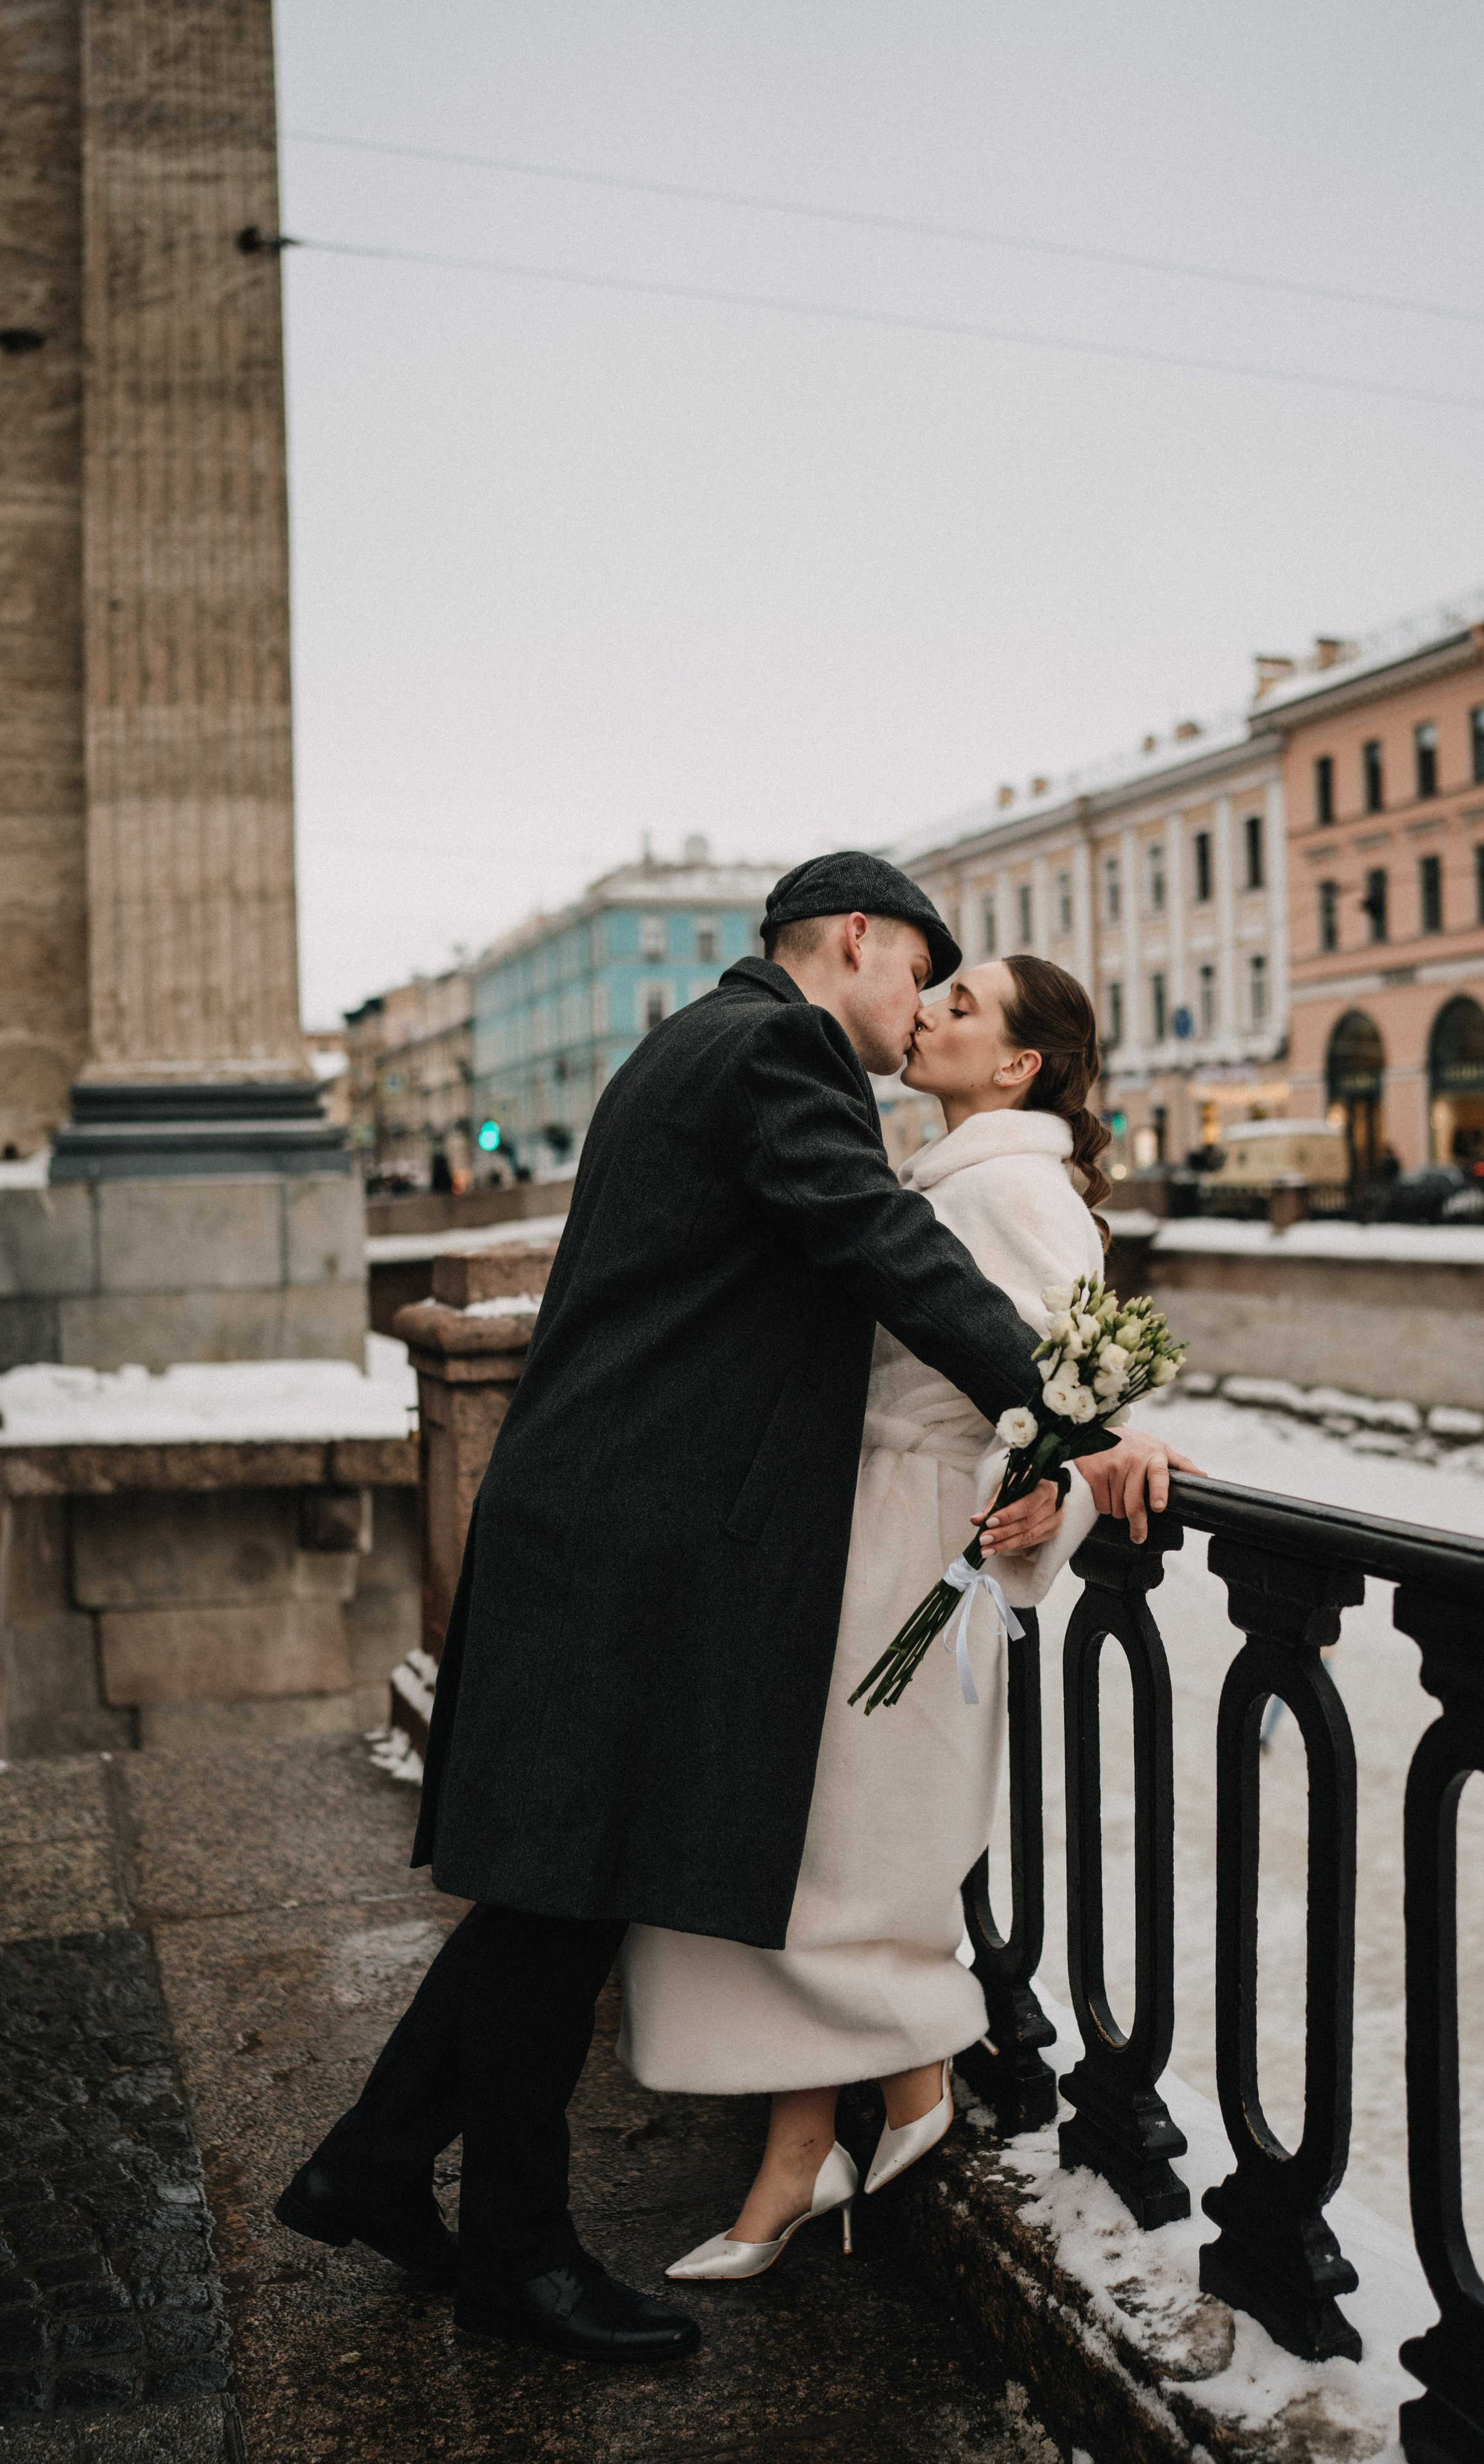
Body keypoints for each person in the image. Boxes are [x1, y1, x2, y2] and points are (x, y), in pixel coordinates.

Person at [273, 854, 1193, 2364]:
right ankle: (514, 2246)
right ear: (855, 941)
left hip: (604, 1514)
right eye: (918, 976)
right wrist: (1075, 1420)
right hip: (625, 1533)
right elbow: (884, 1248)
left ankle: (373, 2167)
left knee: (554, 1890)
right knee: (558, 1903)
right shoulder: (778, 1049)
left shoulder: (696, 1040)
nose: (914, 1013)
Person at [620, 952, 1163, 2276]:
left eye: (960, 1004)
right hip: (855, 1523)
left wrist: (1063, 1476)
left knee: (835, 1850)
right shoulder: (947, 1176)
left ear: (1020, 1066)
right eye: (934, 990)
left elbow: (1073, 1378)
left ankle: (891, 2086)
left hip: (914, 1544)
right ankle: (818, 2140)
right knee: (804, 1840)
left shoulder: (1012, 1184)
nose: (925, 1010)